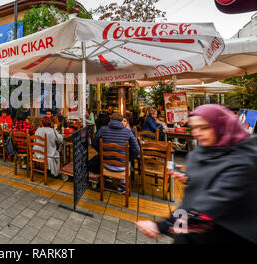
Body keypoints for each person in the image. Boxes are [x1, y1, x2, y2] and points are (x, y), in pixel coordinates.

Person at [136, 104, 257, 244]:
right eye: (194, 127)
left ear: (221, 126)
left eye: (204, 127)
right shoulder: (204, 150)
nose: (196, 133)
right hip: (194, 230)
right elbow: (212, 179)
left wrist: (161, 226)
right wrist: (190, 178)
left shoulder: (244, 159)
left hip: (229, 233)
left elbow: (211, 206)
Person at [92, 112, 140, 193]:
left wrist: (102, 152)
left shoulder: (103, 129)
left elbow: (94, 143)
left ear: (110, 120)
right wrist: (128, 158)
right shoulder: (128, 132)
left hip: (106, 164)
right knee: (126, 160)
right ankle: (122, 186)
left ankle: (108, 179)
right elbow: (137, 150)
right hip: (122, 167)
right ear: (121, 121)